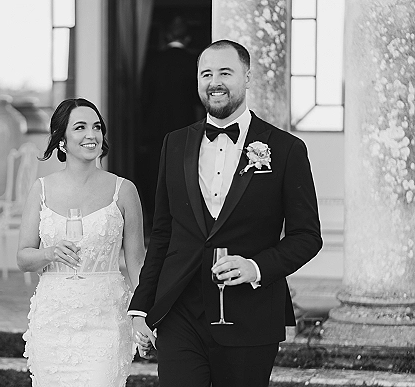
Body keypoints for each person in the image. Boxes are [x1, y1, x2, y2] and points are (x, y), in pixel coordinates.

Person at [130, 40, 323, 387]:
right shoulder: (174, 143)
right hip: (180, 312)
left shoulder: (286, 149)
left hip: (250, 316)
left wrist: (256, 267)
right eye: (206, 73)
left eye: (225, 72)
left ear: (247, 77)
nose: (214, 81)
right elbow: (163, 232)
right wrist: (141, 306)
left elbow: (307, 236)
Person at [17, 98, 146, 386]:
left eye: (97, 127)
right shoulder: (41, 190)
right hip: (53, 319)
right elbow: (23, 257)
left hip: (106, 318)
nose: (92, 135)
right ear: (61, 139)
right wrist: (49, 253)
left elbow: (137, 263)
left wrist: (143, 313)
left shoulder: (124, 191)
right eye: (80, 127)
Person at [136, 16, 203, 232]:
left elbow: (143, 99)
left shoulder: (154, 61)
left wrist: (142, 131)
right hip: (185, 128)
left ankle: (157, 225)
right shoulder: (193, 62)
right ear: (188, 37)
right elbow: (198, 101)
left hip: (156, 131)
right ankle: (181, 225)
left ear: (166, 36)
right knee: (183, 176)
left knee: (156, 176)